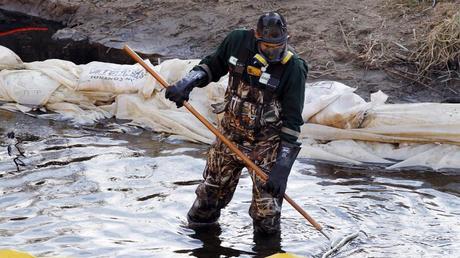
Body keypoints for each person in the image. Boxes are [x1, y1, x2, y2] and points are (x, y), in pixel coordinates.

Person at [165, 12, 308, 235]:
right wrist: (187, 83)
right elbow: (212, 66)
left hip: (266, 147)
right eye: (268, 48)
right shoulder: (237, 41)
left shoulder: (294, 69)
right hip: (229, 136)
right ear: (256, 37)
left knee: (267, 215)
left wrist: (282, 168)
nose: (273, 53)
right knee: (208, 200)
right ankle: (201, 242)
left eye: (279, 47)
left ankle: (267, 249)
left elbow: (292, 123)